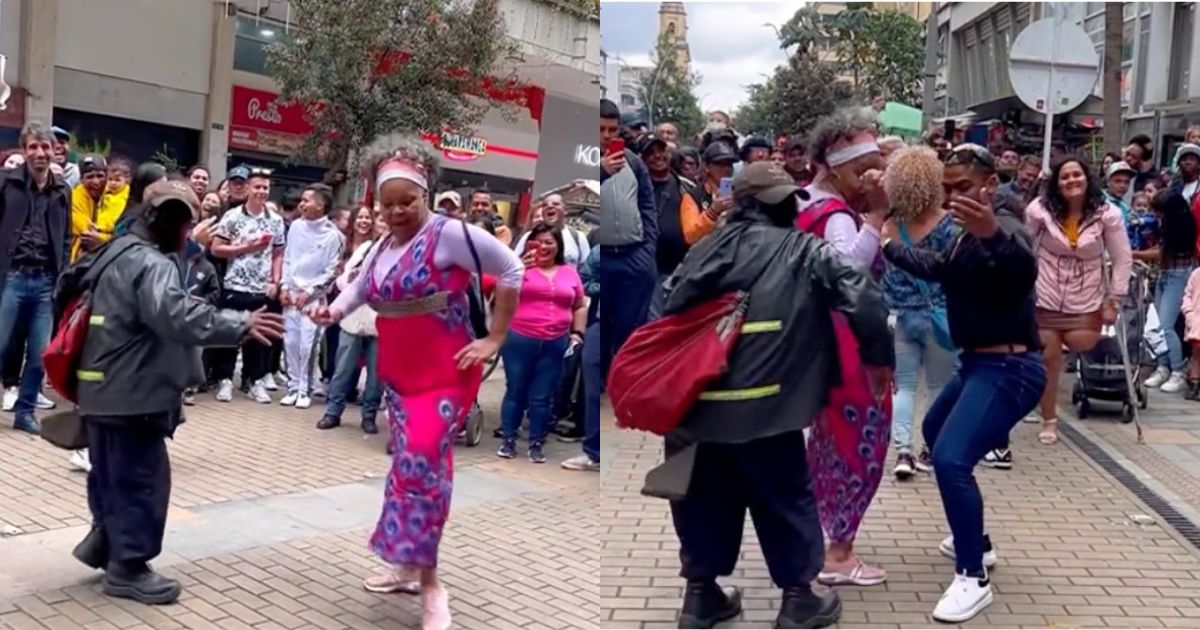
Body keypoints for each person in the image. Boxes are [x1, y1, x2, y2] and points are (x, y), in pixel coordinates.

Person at [659, 161, 891, 629]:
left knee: (701, 499)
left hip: (695, 408)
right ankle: (798, 600)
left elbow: (668, 306)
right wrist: (878, 360)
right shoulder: (804, 249)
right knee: (784, 499)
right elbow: (861, 294)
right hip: (766, 408)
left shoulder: (705, 250)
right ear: (782, 205)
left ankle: (700, 597)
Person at [312, 142, 523, 630]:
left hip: (446, 373)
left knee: (421, 468)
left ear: (426, 194)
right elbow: (361, 287)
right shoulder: (383, 246)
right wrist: (333, 311)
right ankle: (405, 565)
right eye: (387, 204)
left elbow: (512, 268)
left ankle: (432, 585)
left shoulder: (449, 234)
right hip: (400, 375)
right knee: (406, 468)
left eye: (406, 201)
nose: (396, 212)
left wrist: (495, 336)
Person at [69, 178, 284, 605]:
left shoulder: (117, 250)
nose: (183, 229)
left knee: (111, 474)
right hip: (133, 392)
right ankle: (128, 567)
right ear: (162, 221)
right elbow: (174, 315)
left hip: (103, 387)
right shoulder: (152, 263)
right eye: (180, 221)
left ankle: (106, 545)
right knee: (143, 481)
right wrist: (239, 324)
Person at [881, 146, 1044, 623]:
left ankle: (972, 577)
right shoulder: (962, 237)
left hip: (1010, 367)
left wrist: (991, 232)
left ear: (990, 185)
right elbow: (938, 268)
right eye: (947, 188)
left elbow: (1021, 271)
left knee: (952, 459)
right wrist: (889, 245)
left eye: (964, 187)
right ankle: (978, 542)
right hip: (976, 363)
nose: (954, 196)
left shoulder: (1004, 228)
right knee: (935, 431)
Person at [796, 107, 892, 587]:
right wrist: (875, 217)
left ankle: (822, 541)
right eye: (862, 171)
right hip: (847, 345)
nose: (869, 181)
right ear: (835, 168)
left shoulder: (803, 201)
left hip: (816, 341)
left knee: (826, 444)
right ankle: (838, 553)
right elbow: (849, 272)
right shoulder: (835, 215)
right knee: (861, 443)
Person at [1025, 157, 1132, 444]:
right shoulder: (1039, 210)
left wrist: (1114, 299)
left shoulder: (1107, 214)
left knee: (1081, 343)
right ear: (1056, 183)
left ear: (1087, 178)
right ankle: (1049, 419)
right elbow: (1022, 246)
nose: (1071, 180)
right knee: (1048, 360)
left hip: (1086, 297)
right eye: (1065, 176)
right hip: (1046, 294)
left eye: (1077, 175)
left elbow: (1122, 259)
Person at [880, 146, 959, 479]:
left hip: (899, 316)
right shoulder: (949, 226)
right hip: (940, 315)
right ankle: (931, 448)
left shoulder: (890, 225)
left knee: (906, 386)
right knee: (939, 385)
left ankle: (903, 452)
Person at [0, 122, 71, 433]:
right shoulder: (6, 183)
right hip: (11, 278)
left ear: (54, 150)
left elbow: (65, 237)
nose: (39, 153)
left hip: (45, 282)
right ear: (24, 150)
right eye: (33, 147)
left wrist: (62, 273)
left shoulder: (62, 190)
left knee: (40, 354)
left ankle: (25, 412)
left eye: (45, 146)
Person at [499, 224, 586, 463]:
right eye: (539, 242)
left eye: (550, 242)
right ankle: (508, 440)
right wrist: (518, 270)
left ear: (558, 245)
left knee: (543, 396)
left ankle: (537, 443)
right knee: (516, 391)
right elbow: (501, 297)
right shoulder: (518, 269)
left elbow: (579, 305)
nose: (544, 247)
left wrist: (577, 333)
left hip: (555, 342)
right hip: (519, 339)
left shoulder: (570, 272)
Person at [208, 168, 286, 404]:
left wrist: (275, 280)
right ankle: (224, 378)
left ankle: (254, 380)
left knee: (259, 336)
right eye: (257, 187)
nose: (261, 191)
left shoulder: (276, 220)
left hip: (262, 287)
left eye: (265, 187)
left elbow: (278, 253)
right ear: (248, 189)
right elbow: (216, 248)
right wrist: (244, 248)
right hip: (235, 285)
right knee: (231, 333)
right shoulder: (232, 216)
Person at [599, 98, 658, 371]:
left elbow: (648, 206)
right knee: (598, 329)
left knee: (630, 331)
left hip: (633, 256)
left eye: (612, 129)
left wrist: (648, 250)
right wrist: (601, 171)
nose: (607, 135)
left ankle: (623, 381)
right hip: (599, 258)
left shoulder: (633, 162)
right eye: (601, 129)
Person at [318, 205, 383, 433]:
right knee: (343, 368)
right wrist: (355, 280)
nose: (384, 224)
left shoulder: (403, 252)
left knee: (377, 374)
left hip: (382, 320)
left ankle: (369, 416)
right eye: (381, 219)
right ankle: (333, 412)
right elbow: (342, 281)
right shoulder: (366, 248)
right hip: (353, 317)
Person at [279, 184, 344, 409]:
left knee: (308, 346)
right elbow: (288, 257)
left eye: (307, 200)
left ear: (321, 205)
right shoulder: (296, 227)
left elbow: (332, 272)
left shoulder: (333, 236)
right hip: (291, 295)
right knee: (290, 342)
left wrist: (310, 292)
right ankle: (292, 387)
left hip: (313, 299)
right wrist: (284, 286)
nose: (302, 204)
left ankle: (305, 389)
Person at [636, 134, 703, 319]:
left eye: (661, 150)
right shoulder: (636, 188)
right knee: (654, 322)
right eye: (651, 153)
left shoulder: (687, 188)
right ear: (642, 158)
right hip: (649, 270)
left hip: (681, 269)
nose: (657, 156)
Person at [1144, 191, 1199, 393]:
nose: (1157, 215)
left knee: (1166, 325)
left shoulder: (1181, 227)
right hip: (1165, 273)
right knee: (1156, 324)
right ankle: (1163, 366)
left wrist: (1131, 253)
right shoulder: (1166, 224)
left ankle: (1177, 371)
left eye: (1160, 212)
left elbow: (1160, 253)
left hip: (1179, 274)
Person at [562, 243, 601, 472]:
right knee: (592, 386)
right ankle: (594, 451)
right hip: (600, 322)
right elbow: (583, 283)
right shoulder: (599, 252)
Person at [70, 154, 128, 263]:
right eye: (90, 177)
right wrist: (104, 239)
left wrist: (104, 241)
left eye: (100, 176)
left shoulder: (123, 197)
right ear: (81, 179)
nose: (96, 182)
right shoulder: (75, 197)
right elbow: (86, 233)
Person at [513, 192, 590, 266]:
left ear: (565, 210)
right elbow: (514, 263)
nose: (550, 206)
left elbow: (585, 268)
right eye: (545, 205)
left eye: (556, 204)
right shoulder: (529, 236)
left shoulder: (578, 237)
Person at [1182, 263, 1200, 398]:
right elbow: (1187, 295)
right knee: (1196, 354)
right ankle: (1195, 382)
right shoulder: (1196, 274)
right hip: (1196, 321)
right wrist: (1189, 313)